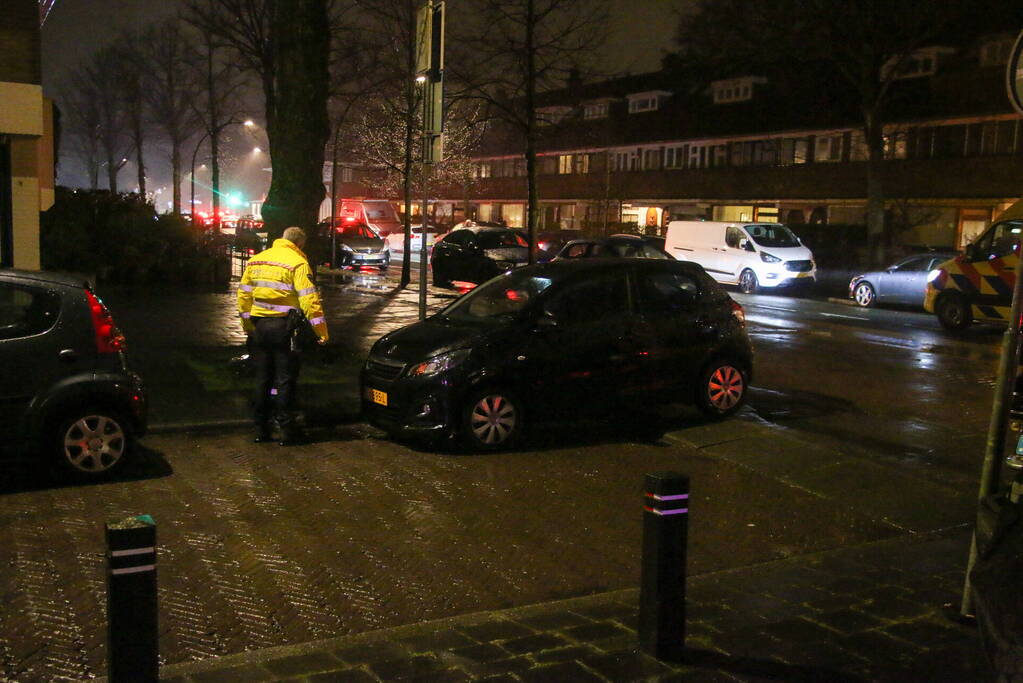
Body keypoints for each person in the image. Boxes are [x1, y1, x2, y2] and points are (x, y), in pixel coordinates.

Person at [237, 226, 328, 445]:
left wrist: (248, 326)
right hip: (284, 329)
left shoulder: (257, 260)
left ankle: (261, 429)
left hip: (259, 327)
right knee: (285, 379)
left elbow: (243, 296)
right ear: (300, 244)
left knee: (262, 378)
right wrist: (321, 332)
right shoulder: (297, 262)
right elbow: (309, 301)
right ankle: (286, 431)